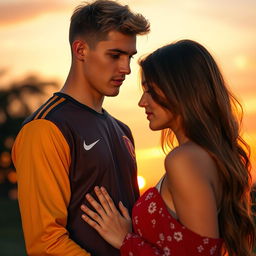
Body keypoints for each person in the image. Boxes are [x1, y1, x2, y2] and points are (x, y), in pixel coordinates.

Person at [80, 40, 255, 256]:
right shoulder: (204, 156)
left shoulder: (184, 160)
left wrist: (126, 242)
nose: (142, 102)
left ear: (181, 90)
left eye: (151, 91)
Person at [11, 1, 150, 255]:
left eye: (129, 57)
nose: (126, 69)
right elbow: (46, 244)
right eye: (115, 55)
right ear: (81, 49)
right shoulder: (46, 128)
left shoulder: (122, 131)